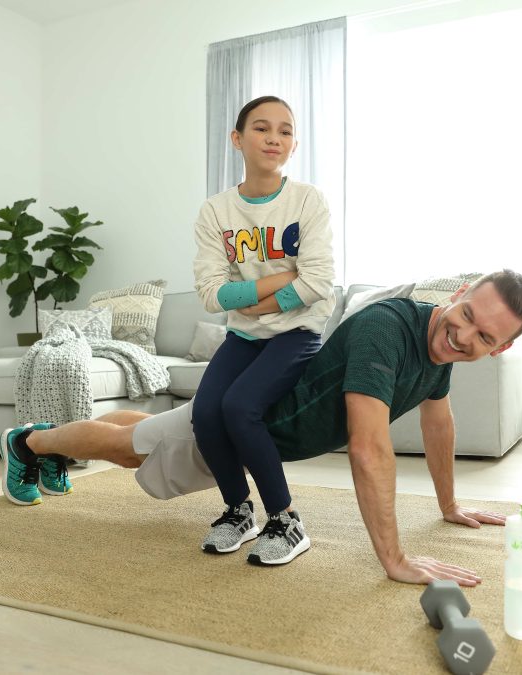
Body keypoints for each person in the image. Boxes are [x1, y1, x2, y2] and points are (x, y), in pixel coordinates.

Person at [0, 270, 522, 585]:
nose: (465, 335)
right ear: (458, 293)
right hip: (243, 429)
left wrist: (449, 507)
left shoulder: (438, 355)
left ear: (502, 348)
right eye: (466, 314)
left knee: (149, 432)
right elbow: (368, 448)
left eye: (485, 337)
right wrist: (393, 559)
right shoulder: (389, 330)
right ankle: (29, 442)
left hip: (255, 425)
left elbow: (439, 424)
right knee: (127, 449)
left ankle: (56, 435)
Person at [190, 95, 335, 565]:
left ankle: (286, 519)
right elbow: (213, 295)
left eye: (285, 131)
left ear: (293, 144)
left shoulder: (307, 200)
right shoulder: (216, 211)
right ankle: (238, 511)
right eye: (261, 128)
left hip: (297, 332)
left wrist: (254, 298)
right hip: (244, 335)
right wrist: (278, 282)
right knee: (206, 411)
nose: (274, 138)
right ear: (237, 139)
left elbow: (317, 281)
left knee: (240, 406)